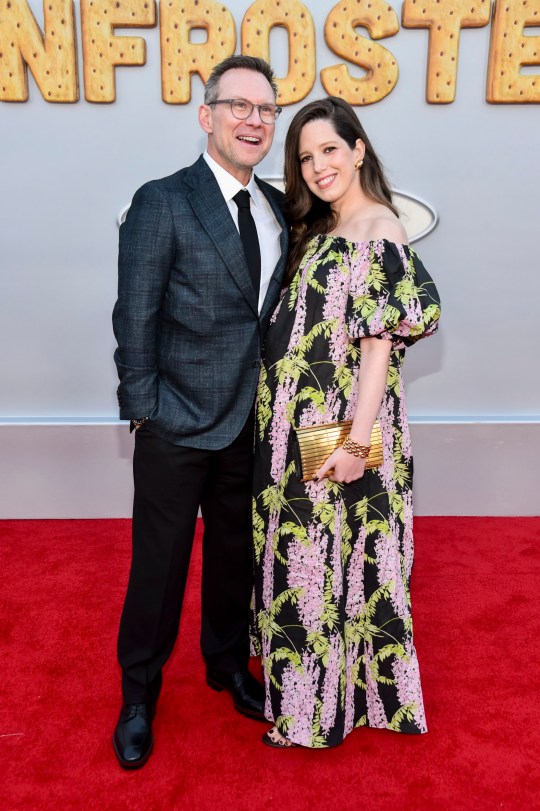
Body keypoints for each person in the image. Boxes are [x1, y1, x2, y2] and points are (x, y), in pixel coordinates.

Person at [112, 55, 288, 769]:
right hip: (176, 424)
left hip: (250, 424)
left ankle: (225, 667)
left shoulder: (276, 207)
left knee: (231, 558)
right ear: (206, 114)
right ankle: (137, 695)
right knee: (158, 567)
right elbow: (135, 314)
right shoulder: (164, 200)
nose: (254, 120)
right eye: (239, 105)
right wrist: (143, 411)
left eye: (266, 110)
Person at [252, 97, 441, 748]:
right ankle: (334, 694)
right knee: (318, 563)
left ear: (359, 149)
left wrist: (357, 442)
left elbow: (378, 343)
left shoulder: (378, 226)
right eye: (305, 157)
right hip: (295, 426)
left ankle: (309, 714)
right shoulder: (326, 227)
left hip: (332, 427)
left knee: (316, 567)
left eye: (330, 149)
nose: (317, 165)